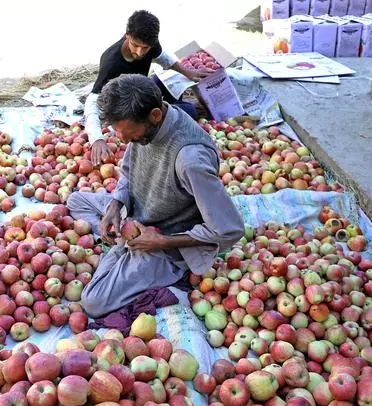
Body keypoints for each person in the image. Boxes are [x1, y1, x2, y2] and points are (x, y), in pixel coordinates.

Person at [68, 74, 245, 318]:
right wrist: (115, 205)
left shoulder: (190, 159)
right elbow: (129, 171)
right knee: (76, 200)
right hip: (139, 213)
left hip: (166, 240)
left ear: (155, 115)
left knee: (93, 302)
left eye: (128, 134)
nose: (123, 140)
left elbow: (229, 229)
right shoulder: (147, 126)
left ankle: (125, 250)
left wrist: (161, 242)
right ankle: (124, 245)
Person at [85, 10, 212, 166]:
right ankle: (179, 109)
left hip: (141, 90)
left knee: (166, 84)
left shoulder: (149, 43)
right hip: (129, 107)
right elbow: (93, 99)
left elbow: (162, 57)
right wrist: (97, 138)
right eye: (135, 45)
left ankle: (174, 107)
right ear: (127, 35)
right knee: (188, 111)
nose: (140, 52)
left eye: (145, 48)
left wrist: (188, 72)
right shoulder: (112, 63)